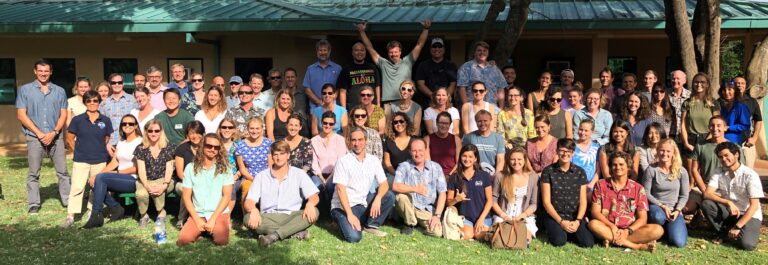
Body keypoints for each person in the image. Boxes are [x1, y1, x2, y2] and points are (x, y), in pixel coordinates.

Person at [16, 60, 71, 214]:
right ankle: (33, 204)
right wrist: (39, 133)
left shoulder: (59, 91)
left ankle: (67, 200)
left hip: (56, 136)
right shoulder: (25, 90)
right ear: (35, 71)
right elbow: (21, 114)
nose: (43, 73)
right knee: (33, 172)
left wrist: (54, 132)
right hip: (34, 137)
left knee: (63, 172)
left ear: (51, 72)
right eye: (40, 70)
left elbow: (63, 114)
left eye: (46, 71)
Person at [244, 141, 320, 247]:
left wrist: (310, 204)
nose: (278, 157)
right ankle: (293, 232)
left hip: (291, 216)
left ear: (288, 155)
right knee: (247, 218)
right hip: (268, 217)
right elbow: (249, 201)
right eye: (275, 154)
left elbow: (314, 196)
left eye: (282, 153)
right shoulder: (261, 176)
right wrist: (253, 210)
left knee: (315, 211)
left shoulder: (299, 174)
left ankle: (272, 236)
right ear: (272, 156)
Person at [588, 152, 663, 252]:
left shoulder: (638, 188)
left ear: (628, 167)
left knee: (658, 230)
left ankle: (611, 240)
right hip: (608, 227)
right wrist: (612, 226)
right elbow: (595, 212)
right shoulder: (601, 185)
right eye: (614, 165)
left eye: (621, 164)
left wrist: (627, 231)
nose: (617, 167)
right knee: (593, 224)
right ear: (610, 167)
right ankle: (635, 246)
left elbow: (643, 218)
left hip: (630, 230)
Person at [331, 127, 396, 242]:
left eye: (360, 140)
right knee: (354, 237)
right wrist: (350, 215)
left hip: (363, 203)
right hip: (344, 207)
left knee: (389, 196)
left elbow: (384, 183)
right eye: (354, 140)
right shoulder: (343, 161)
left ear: (366, 141)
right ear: (349, 142)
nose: (357, 143)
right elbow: (340, 190)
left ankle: (370, 225)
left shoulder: (373, 160)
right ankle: (344, 221)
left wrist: (378, 198)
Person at [82, 114, 143, 229]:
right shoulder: (122, 142)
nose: (127, 125)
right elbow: (115, 161)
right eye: (124, 123)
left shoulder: (140, 142)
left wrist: (117, 173)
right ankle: (116, 208)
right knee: (96, 179)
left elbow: (138, 168)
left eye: (131, 123)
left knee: (101, 178)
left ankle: (96, 215)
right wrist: (97, 174)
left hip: (134, 179)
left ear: (136, 126)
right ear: (121, 126)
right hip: (121, 178)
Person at [701, 142, 763, 251]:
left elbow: (754, 206)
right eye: (720, 157)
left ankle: (737, 230)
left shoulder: (750, 175)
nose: (723, 159)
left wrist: (738, 226)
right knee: (707, 204)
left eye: (726, 155)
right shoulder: (718, 172)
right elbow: (707, 194)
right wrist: (727, 202)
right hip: (731, 211)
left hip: (749, 214)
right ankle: (723, 233)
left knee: (747, 245)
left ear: (736, 155)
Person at [63, 91, 112, 227]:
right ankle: (71, 216)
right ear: (85, 102)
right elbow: (70, 138)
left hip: (100, 159)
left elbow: (106, 139)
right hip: (81, 159)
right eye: (89, 101)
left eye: (95, 101)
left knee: (95, 187)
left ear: (99, 102)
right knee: (77, 187)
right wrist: (78, 150)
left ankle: (92, 211)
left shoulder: (105, 120)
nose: (92, 103)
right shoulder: (77, 120)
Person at [176, 134, 234, 247]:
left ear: (219, 149)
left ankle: (211, 228)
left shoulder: (226, 168)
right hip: (199, 213)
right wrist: (196, 219)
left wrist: (213, 219)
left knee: (221, 241)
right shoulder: (190, 168)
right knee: (183, 241)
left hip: (218, 213)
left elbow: (227, 196)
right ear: (202, 146)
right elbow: (186, 197)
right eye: (209, 146)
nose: (212, 149)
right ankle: (203, 229)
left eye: (216, 147)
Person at [356, 20, 430, 104]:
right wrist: (362, 32)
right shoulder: (383, 63)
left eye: (395, 52)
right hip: (388, 103)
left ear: (400, 52)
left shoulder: (408, 61)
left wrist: (426, 29)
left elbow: (419, 45)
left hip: (404, 101)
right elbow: (369, 48)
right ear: (387, 53)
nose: (393, 54)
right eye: (391, 52)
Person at [685, 116, 745, 214]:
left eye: (719, 126)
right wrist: (704, 189)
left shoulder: (735, 147)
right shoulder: (700, 146)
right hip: (704, 186)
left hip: (726, 189)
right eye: (712, 126)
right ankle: (698, 213)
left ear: (725, 128)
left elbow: (741, 170)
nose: (715, 128)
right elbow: (694, 169)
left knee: (724, 210)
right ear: (709, 128)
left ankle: (708, 213)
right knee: (687, 209)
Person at [541, 139, 594, 248]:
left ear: (573, 153)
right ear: (557, 151)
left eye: (568, 151)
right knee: (559, 241)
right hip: (555, 216)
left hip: (574, 216)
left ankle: (570, 231)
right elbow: (546, 202)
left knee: (588, 243)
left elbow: (583, 201)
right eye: (562, 150)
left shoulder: (580, 172)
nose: (565, 154)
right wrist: (561, 222)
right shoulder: (548, 171)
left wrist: (578, 221)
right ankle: (558, 230)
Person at [392, 138, 447, 236]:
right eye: (414, 151)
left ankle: (416, 223)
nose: (417, 154)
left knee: (437, 233)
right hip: (410, 206)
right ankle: (409, 223)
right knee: (401, 197)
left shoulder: (436, 167)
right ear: (410, 152)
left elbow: (442, 193)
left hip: (427, 210)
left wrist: (437, 216)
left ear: (426, 150)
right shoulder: (404, 166)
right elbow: (395, 186)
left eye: (420, 150)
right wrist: (415, 189)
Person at [642, 138, 689, 248]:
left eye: (668, 151)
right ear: (657, 151)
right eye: (662, 150)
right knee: (658, 217)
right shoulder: (651, 170)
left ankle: (668, 232)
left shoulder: (681, 171)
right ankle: (657, 232)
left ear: (674, 153)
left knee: (679, 243)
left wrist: (677, 210)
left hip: (674, 210)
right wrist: (662, 206)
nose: (665, 154)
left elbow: (684, 195)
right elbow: (646, 193)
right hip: (657, 206)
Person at [492, 147, 539, 243]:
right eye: (513, 159)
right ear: (508, 161)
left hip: (524, 216)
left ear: (525, 160)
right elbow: (493, 200)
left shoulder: (533, 177)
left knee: (523, 238)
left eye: (519, 159)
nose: (516, 162)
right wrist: (504, 216)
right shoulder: (500, 176)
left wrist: (522, 216)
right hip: (504, 215)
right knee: (504, 237)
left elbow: (534, 204)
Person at [134, 120, 176, 227]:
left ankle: (161, 213)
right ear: (146, 132)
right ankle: (144, 215)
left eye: (157, 130)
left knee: (158, 190)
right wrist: (147, 186)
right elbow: (141, 170)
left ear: (161, 131)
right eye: (150, 131)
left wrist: (164, 185)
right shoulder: (140, 148)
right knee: (141, 194)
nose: (153, 133)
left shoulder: (168, 147)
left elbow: (169, 169)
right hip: (145, 179)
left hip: (164, 179)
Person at [447, 144, 493, 240]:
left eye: (470, 156)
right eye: (464, 156)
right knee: (467, 235)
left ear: (475, 159)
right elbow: (448, 202)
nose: (467, 159)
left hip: (483, 216)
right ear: (460, 157)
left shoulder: (484, 175)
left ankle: (494, 233)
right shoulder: (454, 177)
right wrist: (456, 199)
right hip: (465, 217)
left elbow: (490, 200)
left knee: (478, 234)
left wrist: (481, 219)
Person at [681, 73, 720, 173]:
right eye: (696, 82)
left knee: (705, 170)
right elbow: (683, 124)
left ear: (707, 84)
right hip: (691, 138)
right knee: (691, 173)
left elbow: (716, 122)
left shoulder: (713, 102)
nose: (699, 84)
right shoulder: (687, 102)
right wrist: (686, 143)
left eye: (702, 82)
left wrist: (708, 140)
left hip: (708, 137)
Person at [311, 111, 348, 213]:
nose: (327, 126)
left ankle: (332, 212)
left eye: (330, 124)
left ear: (334, 125)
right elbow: (314, 162)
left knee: (331, 185)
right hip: (319, 174)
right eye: (325, 123)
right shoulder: (314, 140)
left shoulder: (340, 140)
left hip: (335, 173)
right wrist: (321, 177)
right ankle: (317, 212)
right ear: (321, 123)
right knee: (315, 185)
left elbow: (340, 161)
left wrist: (329, 178)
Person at [173, 121, 205, 229]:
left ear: (202, 133)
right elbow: (180, 173)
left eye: (197, 133)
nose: (194, 136)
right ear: (187, 135)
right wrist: (192, 183)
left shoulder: (207, 148)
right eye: (191, 133)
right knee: (186, 190)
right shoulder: (181, 149)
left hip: (203, 182)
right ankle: (181, 219)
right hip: (182, 182)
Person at [235, 117, 274, 202]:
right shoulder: (241, 145)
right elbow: (242, 169)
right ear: (248, 129)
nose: (254, 131)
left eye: (257, 128)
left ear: (262, 129)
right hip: (248, 177)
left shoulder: (268, 143)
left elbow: (270, 165)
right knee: (247, 189)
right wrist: (254, 180)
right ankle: (247, 214)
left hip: (266, 176)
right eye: (252, 128)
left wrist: (264, 179)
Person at [457, 41, 507, 107]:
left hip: (492, 108)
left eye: (485, 51)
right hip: (474, 107)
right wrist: (467, 107)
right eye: (479, 50)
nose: (482, 53)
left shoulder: (495, 69)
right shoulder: (466, 68)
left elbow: (501, 89)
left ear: (488, 53)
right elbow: (462, 88)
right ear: (474, 53)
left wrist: (501, 108)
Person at [414, 37, 457, 109]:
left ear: (444, 49)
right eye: (434, 46)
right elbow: (420, 84)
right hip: (428, 104)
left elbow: (453, 84)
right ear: (430, 49)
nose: (437, 49)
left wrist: (444, 98)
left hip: (447, 104)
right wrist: (434, 97)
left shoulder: (451, 65)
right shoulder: (423, 65)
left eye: (440, 46)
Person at [100, 73, 139, 152]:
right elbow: (101, 125)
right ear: (109, 84)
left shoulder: (133, 101)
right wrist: (107, 144)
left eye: (119, 82)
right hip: (111, 145)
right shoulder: (104, 104)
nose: (117, 84)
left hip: (129, 143)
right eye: (114, 83)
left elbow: (138, 122)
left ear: (123, 83)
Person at [338, 42, 381, 109]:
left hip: (371, 108)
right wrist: (343, 111)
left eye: (362, 50)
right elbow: (342, 92)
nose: (359, 52)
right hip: (353, 109)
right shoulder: (346, 69)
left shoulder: (373, 68)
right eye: (356, 50)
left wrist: (378, 104)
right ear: (352, 52)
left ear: (365, 52)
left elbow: (377, 87)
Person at [462, 110, 505, 174]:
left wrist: (496, 176)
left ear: (490, 120)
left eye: (485, 121)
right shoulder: (468, 137)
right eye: (479, 121)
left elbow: (500, 160)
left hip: (491, 173)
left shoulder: (498, 138)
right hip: (473, 172)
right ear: (476, 122)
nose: (482, 124)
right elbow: (464, 157)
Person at [733, 76, 763, 168]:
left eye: (742, 83)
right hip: (730, 141)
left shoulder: (752, 101)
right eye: (737, 83)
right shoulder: (725, 100)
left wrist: (754, 138)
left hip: (747, 143)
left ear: (745, 86)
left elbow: (758, 120)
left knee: (748, 171)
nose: (740, 85)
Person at [303, 39, 342, 109]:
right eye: (320, 50)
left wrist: (330, 101)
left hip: (334, 108)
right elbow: (307, 89)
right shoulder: (310, 69)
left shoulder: (338, 68)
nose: (323, 52)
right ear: (317, 52)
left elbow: (340, 88)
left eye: (325, 50)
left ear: (329, 51)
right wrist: (319, 102)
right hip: (315, 108)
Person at [425, 112, 461, 176]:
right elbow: (427, 162)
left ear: (450, 124)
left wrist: (450, 175)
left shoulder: (456, 139)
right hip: (433, 174)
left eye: (446, 123)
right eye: (441, 123)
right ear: (436, 123)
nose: (444, 126)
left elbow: (459, 162)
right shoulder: (427, 139)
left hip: (452, 174)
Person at [218, 118, 241, 210]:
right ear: (220, 129)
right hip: (217, 176)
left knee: (231, 187)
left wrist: (236, 176)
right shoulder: (215, 145)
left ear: (234, 130)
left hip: (235, 177)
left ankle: (226, 216)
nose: (227, 130)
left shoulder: (239, 146)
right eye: (224, 127)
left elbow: (244, 165)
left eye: (230, 127)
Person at [384, 112, 415, 180]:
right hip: (393, 175)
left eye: (401, 121)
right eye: (395, 122)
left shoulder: (415, 140)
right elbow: (387, 163)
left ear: (406, 123)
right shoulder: (388, 141)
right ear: (393, 125)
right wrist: (397, 175)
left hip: (413, 175)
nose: (399, 124)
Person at [572, 120, 601, 191]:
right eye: (581, 129)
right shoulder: (571, 146)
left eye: (586, 130)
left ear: (592, 132)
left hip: (591, 186)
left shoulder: (597, 148)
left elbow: (598, 170)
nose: (582, 133)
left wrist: (591, 184)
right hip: (573, 186)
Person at [667, 70, 691, 140]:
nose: (675, 81)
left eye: (678, 78)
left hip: (685, 135)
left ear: (684, 81)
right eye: (673, 78)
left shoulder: (690, 96)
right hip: (669, 135)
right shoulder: (665, 94)